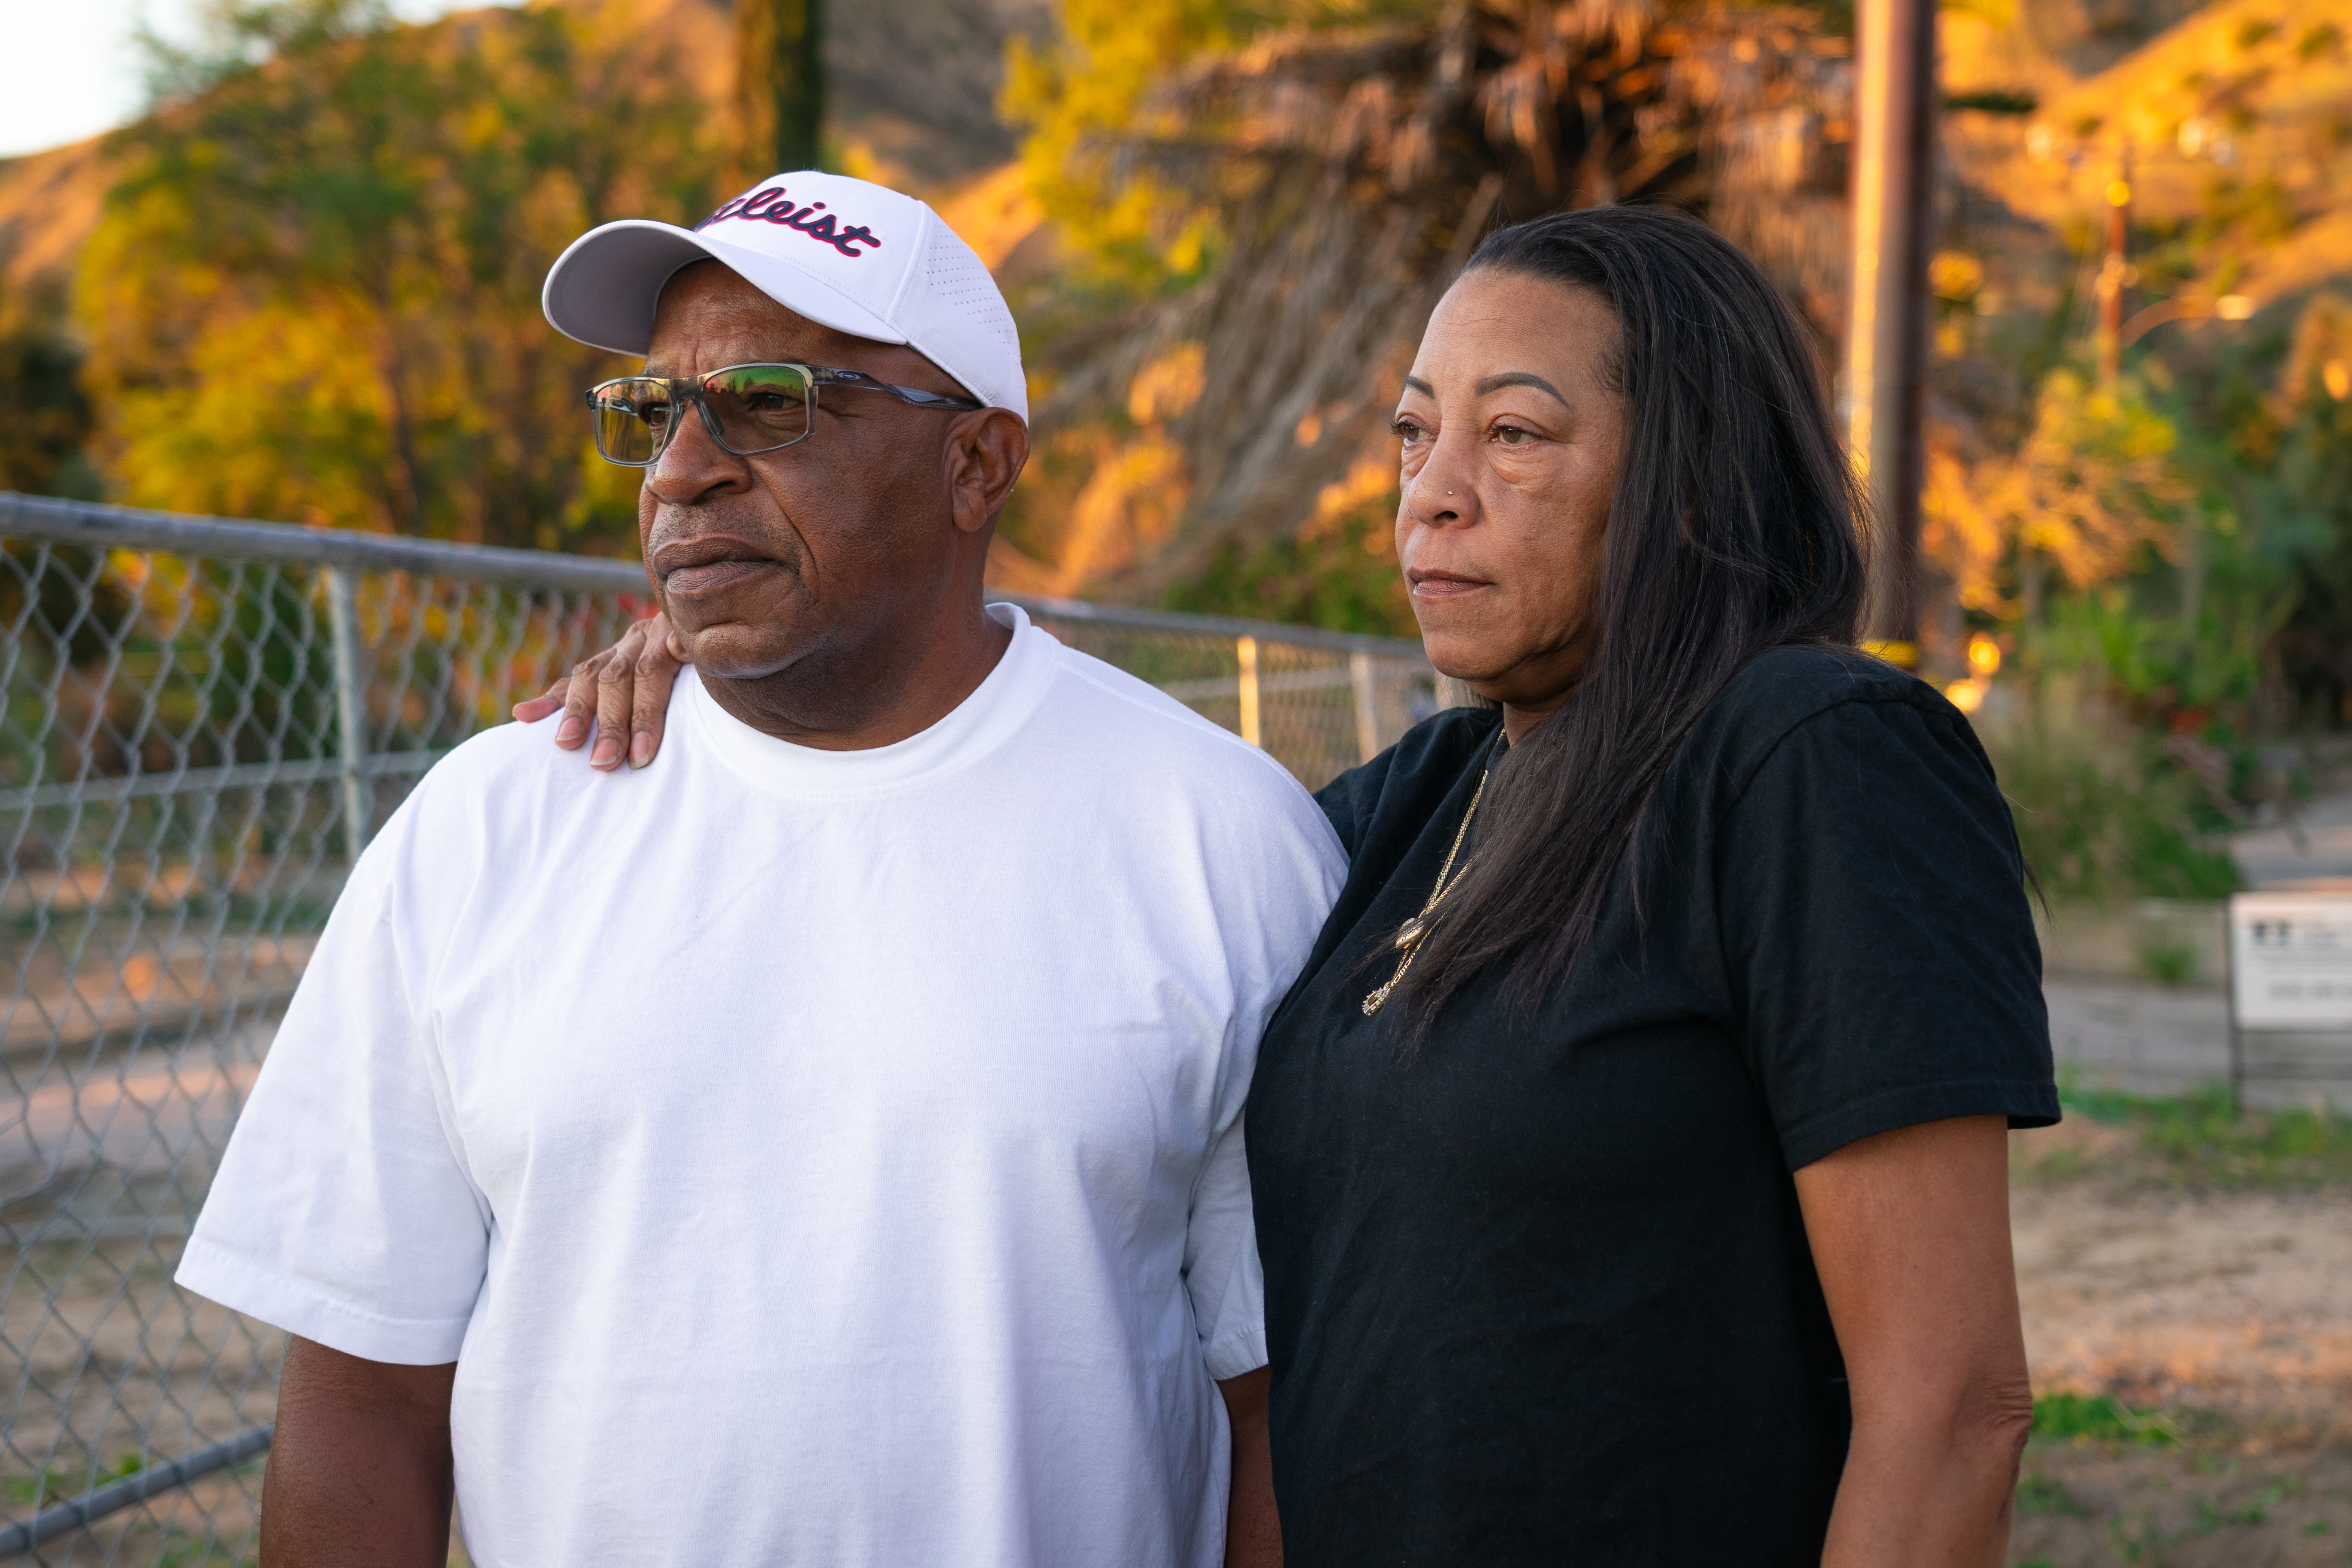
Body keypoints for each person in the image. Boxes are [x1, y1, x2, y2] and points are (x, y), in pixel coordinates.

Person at [529, 203, 2059, 1565]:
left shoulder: (1809, 755)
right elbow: (1068, 810)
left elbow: (1952, 1406)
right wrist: (749, 655)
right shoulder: (1421, 806)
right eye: (1412, 433)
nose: (1433, 494)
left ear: (1684, 472)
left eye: (1513, 435)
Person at [179, 171, 1338, 1568]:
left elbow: (1278, 1402)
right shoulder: (484, 829)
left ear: (978, 463)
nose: (680, 470)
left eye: (770, 403)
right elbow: (365, 1397)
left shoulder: (1218, 835)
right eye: (652, 412)